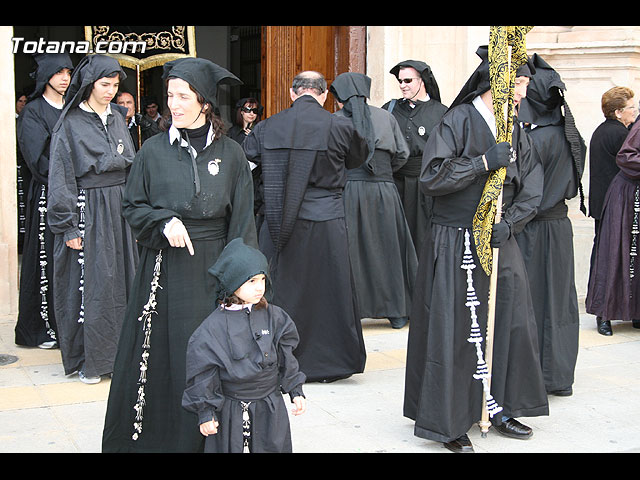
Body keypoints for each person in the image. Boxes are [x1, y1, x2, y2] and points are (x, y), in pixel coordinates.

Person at [102, 57, 257, 453]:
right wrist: (163, 221)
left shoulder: (233, 154)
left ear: (204, 102)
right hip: (165, 270)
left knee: (215, 355)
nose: (174, 104)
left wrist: (243, 281)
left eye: (183, 96)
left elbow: (242, 222)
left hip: (216, 269)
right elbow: (132, 206)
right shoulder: (152, 151)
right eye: (170, 95)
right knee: (168, 357)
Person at [403, 46, 548, 453]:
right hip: (456, 238)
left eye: (525, 83)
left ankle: (499, 406)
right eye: (518, 83)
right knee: (457, 328)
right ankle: (449, 419)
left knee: (508, 320)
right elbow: (431, 178)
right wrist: (483, 161)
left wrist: (511, 223)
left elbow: (531, 183)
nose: (523, 91)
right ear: (495, 84)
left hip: (499, 239)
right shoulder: (457, 120)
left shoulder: (516, 127)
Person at [243, 71, 369, 383]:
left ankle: (280, 358)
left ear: (292, 92)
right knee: (329, 289)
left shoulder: (268, 125)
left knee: (284, 288)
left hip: (278, 217)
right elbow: (357, 158)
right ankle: (329, 362)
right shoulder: (338, 124)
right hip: (326, 216)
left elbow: (250, 161)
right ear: (324, 95)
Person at [47, 54, 138, 384]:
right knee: (94, 286)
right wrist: (68, 223)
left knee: (123, 281)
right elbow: (61, 176)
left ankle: (120, 357)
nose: (111, 91)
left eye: (115, 85)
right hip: (90, 208)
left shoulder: (117, 116)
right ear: (89, 84)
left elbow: (131, 166)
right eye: (105, 84)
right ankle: (92, 360)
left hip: (120, 207)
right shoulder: (70, 123)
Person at [182, 238, 306, 453]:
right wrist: (205, 412)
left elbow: (287, 357)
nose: (260, 287)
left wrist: (295, 390)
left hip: (270, 405)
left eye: (262, 279)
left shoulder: (276, 317)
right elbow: (203, 372)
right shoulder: (212, 328)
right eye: (251, 281)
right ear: (233, 282)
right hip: (230, 411)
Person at [515, 54, 587, 396]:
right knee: (558, 301)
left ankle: (537, 377)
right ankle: (560, 378)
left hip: (533, 229)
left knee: (532, 301)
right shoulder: (571, 136)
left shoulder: (533, 140)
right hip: (559, 228)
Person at [329, 72, 416, 330]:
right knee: (388, 248)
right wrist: (382, 172)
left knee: (351, 250)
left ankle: (353, 310)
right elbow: (403, 154)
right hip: (383, 192)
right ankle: (397, 312)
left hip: (349, 191)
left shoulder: (333, 121)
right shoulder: (385, 117)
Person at [15, 53, 73, 349]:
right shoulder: (34, 112)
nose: (65, 78)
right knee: (44, 260)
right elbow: (37, 159)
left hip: (77, 195)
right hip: (47, 195)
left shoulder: (74, 107)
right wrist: (67, 179)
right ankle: (40, 328)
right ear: (46, 75)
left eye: (69, 72)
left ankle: (67, 325)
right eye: (59, 72)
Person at [382, 60, 448, 252]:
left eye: (408, 80)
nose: (402, 85)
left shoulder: (441, 112)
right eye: (400, 81)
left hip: (425, 185)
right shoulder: (389, 108)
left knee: (422, 239)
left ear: (422, 81)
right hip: (394, 182)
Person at [587, 86, 637, 335]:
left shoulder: (603, 130)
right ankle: (603, 314)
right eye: (631, 108)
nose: (634, 112)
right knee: (610, 259)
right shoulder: (619, 134)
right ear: (618, 112)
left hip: (604, 204)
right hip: (614, 207)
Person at [228, 97, 265, 232]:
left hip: (255, 180)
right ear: (241, 112)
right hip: (236, 179)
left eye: (255, 111)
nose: (251, 114)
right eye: (247, 110)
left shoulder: (261, 131)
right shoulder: (231, 133)